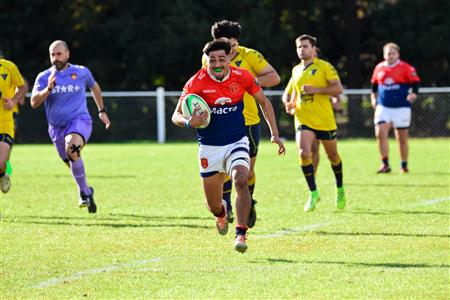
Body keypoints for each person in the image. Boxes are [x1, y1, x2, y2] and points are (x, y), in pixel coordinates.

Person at [173, 39, 285, 253]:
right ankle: (222, 213)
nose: (217, 63)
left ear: (229, 59)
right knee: (214, 206)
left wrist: (275, 134)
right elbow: (176, 115)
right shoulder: (196, 82)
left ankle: (241, 233)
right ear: (206, 62)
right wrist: (189, 121)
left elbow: (264, 102)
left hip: (237, 141)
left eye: (221, 59)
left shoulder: (242, 77)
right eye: (212, 59)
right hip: (209, 147)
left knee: (241, 179)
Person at [201, 20, 281, 227]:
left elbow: (274, 77)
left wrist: (247, 81)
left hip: (249, 121)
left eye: (233, 45)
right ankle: (226, 205)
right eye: (225, 44)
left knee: (246, 172)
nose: (230, 50)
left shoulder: (250, 56)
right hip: (220, 122)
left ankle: (248, 201)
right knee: (223, 171)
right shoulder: (209, 58)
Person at [30, 40, 111, 213]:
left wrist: (101, 110)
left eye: (59, 54)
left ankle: (82, 193)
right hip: (55, 129)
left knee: (72, 148)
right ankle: (88, 191)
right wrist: (48, 89)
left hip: (80, 121)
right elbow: (34, 102)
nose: (55, 58)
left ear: (67, 54)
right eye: (52, 54)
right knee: (72, 159)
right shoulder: (44, 77)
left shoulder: (81, 72)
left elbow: (94, 86)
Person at [283, 34, 346, 212]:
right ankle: (313, 192)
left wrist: (317, 90)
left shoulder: (324, 67)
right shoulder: (296, 70)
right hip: (303, 118)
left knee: (333, 156)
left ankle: (340, 188)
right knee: (304, 153)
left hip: (325, 120)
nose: (301, 50)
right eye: (298, 47)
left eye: (305, 46)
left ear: (313, 49)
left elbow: (338, 88)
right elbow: (288, 93)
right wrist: (288, 104)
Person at [370, 42, 420, 174]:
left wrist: (413, 93)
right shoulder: (379, 68)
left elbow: (415, 82)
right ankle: (385, 164)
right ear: (384, 55)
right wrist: (373, 98)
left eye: (393, 53)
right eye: (388, 53)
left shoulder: (405, 68)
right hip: (383, 106)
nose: (390, 56)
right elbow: (374, 85)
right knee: (380, 134)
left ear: (397, 54)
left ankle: (404, 164)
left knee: (401, 137)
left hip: (401, 107)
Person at [0, 55, 27, 193]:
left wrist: (14, 100)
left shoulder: (9, 67)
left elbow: (23, 87)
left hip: (6, 120)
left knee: (2, 158)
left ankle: (5, 170)